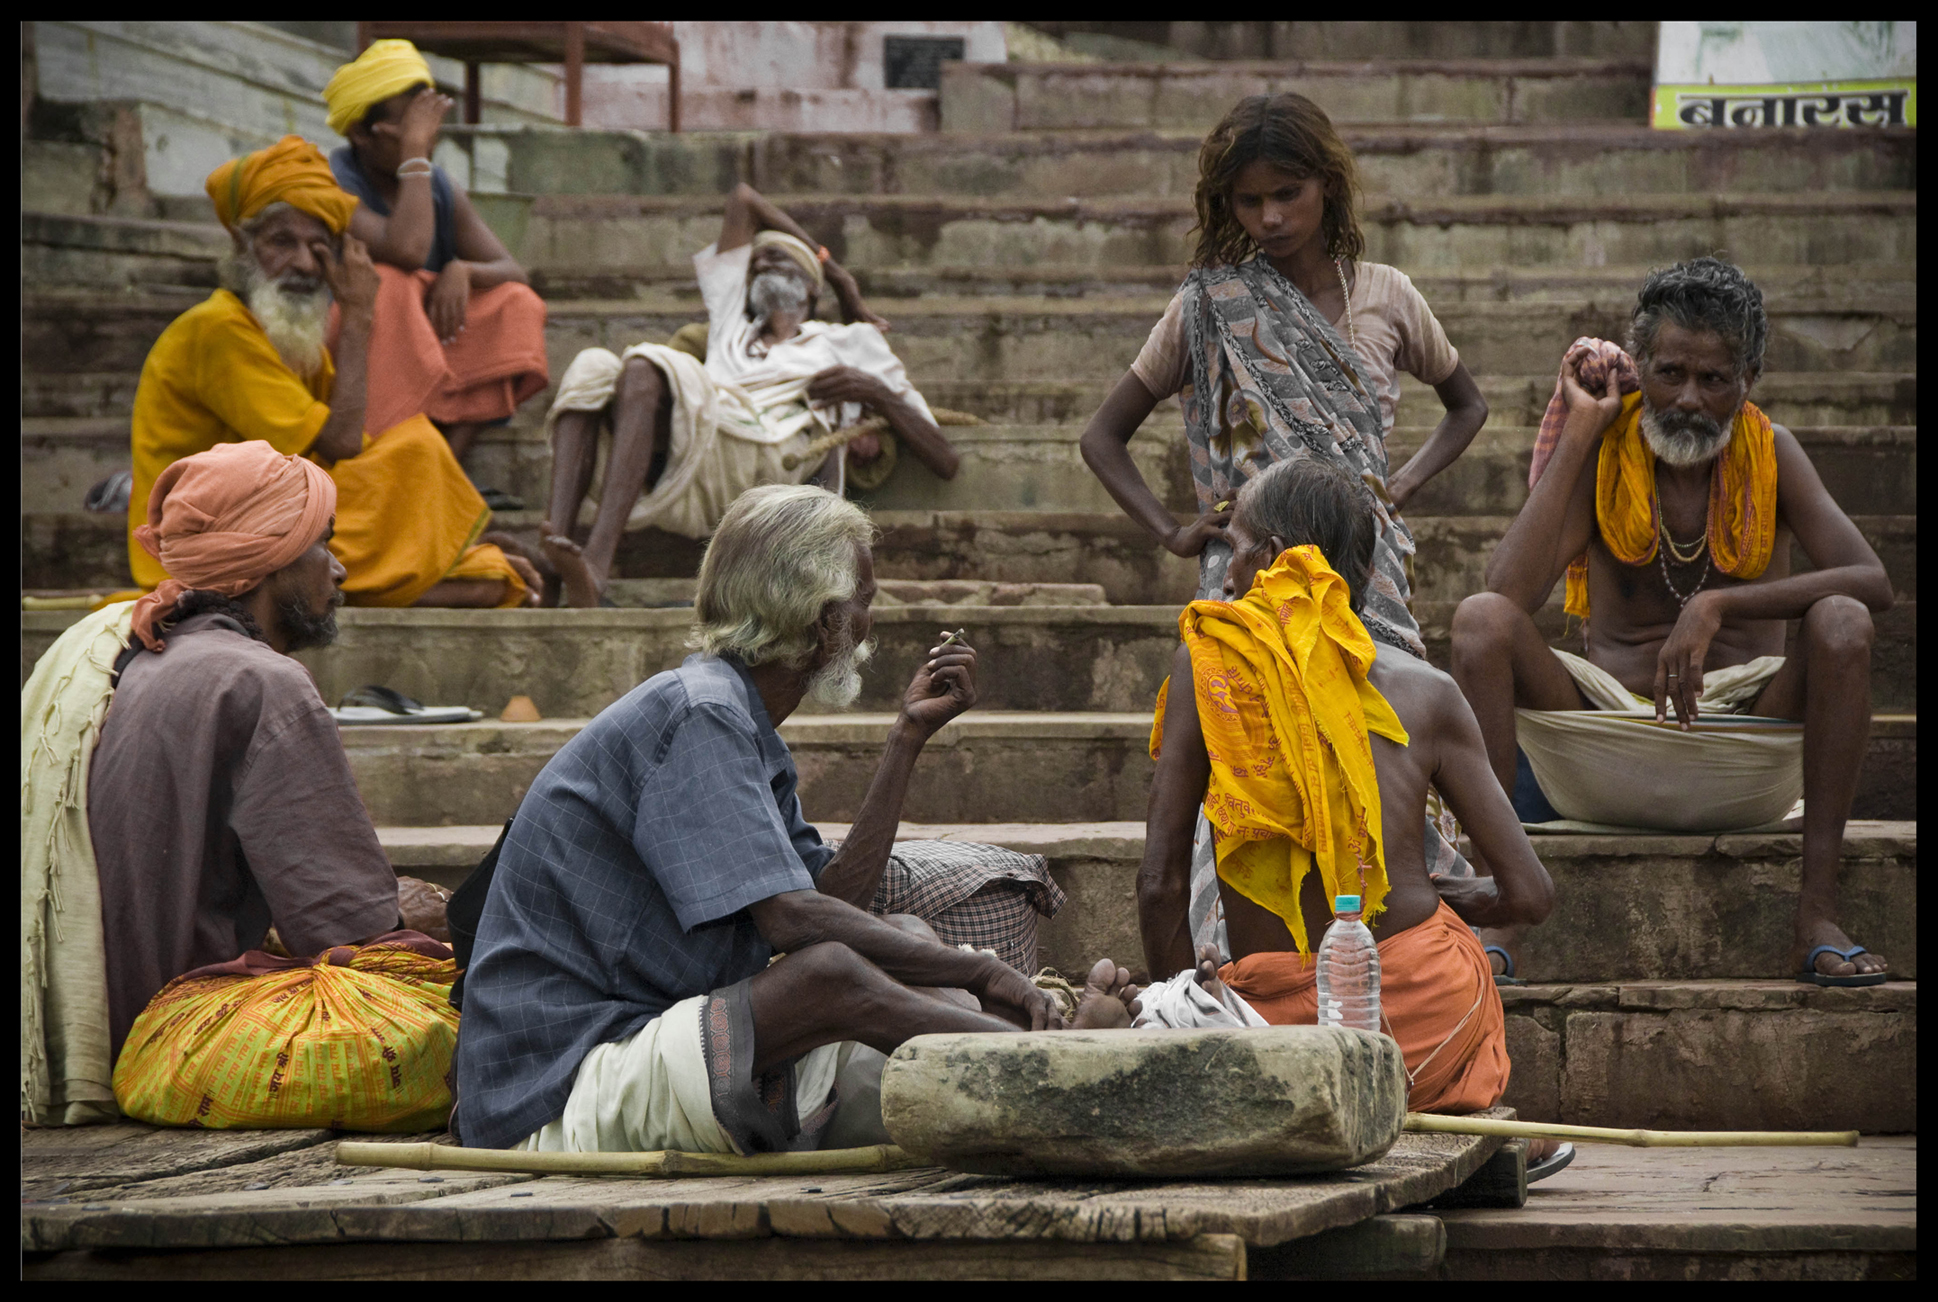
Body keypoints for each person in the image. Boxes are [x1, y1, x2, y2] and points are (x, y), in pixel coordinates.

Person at [453, 486, 1132, 1155]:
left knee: (895, 940)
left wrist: (906, 739)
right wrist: (984, 973)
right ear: (817, 618)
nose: (870, 619)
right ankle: (1062, 1066)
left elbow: (833, 902)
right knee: (831, 974)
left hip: (638, 1039)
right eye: (862, 598)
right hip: (553, 1087)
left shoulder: (734, 717)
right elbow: (795, 923)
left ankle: (1041, 1043)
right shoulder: (701, 711)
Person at [1079, 92, 1490, 959]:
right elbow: (1102, 435)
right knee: (1247, 769)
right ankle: (1249, 954)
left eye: (1288, 194)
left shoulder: (1387, 298)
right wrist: (1173, 530)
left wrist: (1397, 486)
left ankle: (1414, 938)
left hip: (1363, 582)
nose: (1269, 217)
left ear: (1328, 189)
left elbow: (1466, 404)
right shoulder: (1205, 306)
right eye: (1248, 200)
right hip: (1250, 583)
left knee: (1379, 752)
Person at [1450, 258, 1894, 986]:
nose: (1687, 399)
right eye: (1668, 374)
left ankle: (1816, 915)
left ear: (1750, 378)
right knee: (1476, 622)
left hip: (1744, 749)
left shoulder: (1773, 452)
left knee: (1842, 620)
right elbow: (1504, 593)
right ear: (1640, 366)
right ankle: (1497, 921)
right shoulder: (1608, 448)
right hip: (1606, 747)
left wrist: (1717, 603)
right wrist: (1582, 432)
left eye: (1713, 380)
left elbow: (1873, 582)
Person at [21, 441, 452, 1124]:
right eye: (323, 545)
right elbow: (351, 926)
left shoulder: (125, 655)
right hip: (179, 1033)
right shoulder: (263, 683)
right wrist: (424, 917)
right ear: (271, 558)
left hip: (96, 1025)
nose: (338, 570)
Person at [1137, 456, 1555, 1117]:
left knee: (1117, 1020)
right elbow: (1529, 895)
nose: (1229, 573)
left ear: (1272, 557)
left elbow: (1159, 883)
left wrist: (1183, 1015)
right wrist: (1419, 887)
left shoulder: (1208, 665)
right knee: (1448, 952)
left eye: (1236, 551)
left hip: (1279, 1040)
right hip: (1429, 1030)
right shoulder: (1430, 691)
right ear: (1362, 573)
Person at [128, 135, 540, 608]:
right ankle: (420, 577)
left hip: (267, 516)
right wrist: (359, 316)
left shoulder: (291, 342)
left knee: (414, 448)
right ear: (243, 244)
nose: (304, 263)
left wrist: (451, 538)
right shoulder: (216, 329)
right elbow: (340, 443)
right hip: (210, 541)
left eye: (319, 247)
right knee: (422, 458)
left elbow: (355, 457)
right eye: (282, 242)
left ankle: (430, 570)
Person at [540, 183, 960, 606]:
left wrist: (874, 391)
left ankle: (595, 561)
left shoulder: (849, 341)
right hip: (698, 444)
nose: (761, 261)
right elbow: (742, 199)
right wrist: (835, 271)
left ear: (810, 288)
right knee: (594, 365)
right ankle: (555, 559)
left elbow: (945, 460)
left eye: (778, 256)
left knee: (645, 364)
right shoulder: (730, 325)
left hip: (771, 458)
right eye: (755, 263)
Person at [322, 40, 550, 489]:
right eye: (411, 127)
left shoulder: (440, 185)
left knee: (517, 304)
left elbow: (513, 272)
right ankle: (394, 460)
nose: (429, 138)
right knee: (390, 283)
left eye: (429, 127)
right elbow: (405, 249)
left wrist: (463, 271)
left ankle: (444, 469)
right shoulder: (332, 184)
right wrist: (414, 155)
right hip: (358, 339)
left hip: (430, 333)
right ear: (363, 136)